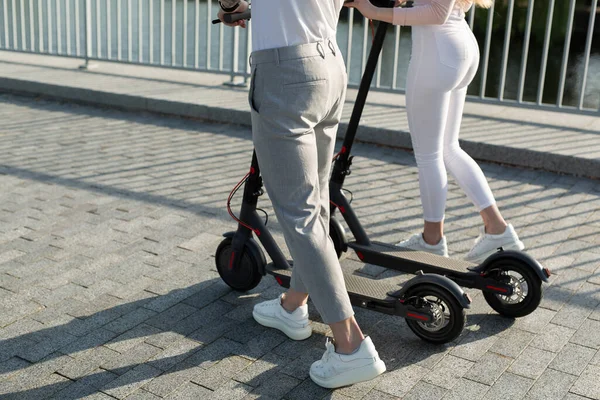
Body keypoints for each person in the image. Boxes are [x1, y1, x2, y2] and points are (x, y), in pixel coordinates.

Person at [217, 0, 386, 389]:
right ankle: (293, 305)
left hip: (285, 72)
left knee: (300, 213)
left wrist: (231, 7)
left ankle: (351, 346)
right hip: (329, 65)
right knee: (317, 201)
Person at [345, 0, 524, 263]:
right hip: (458, 45)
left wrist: (375, 13)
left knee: (429, 156)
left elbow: (435, 13)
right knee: (450, 149)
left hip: (437, 52)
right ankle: (497, 229)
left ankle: (432, 240)